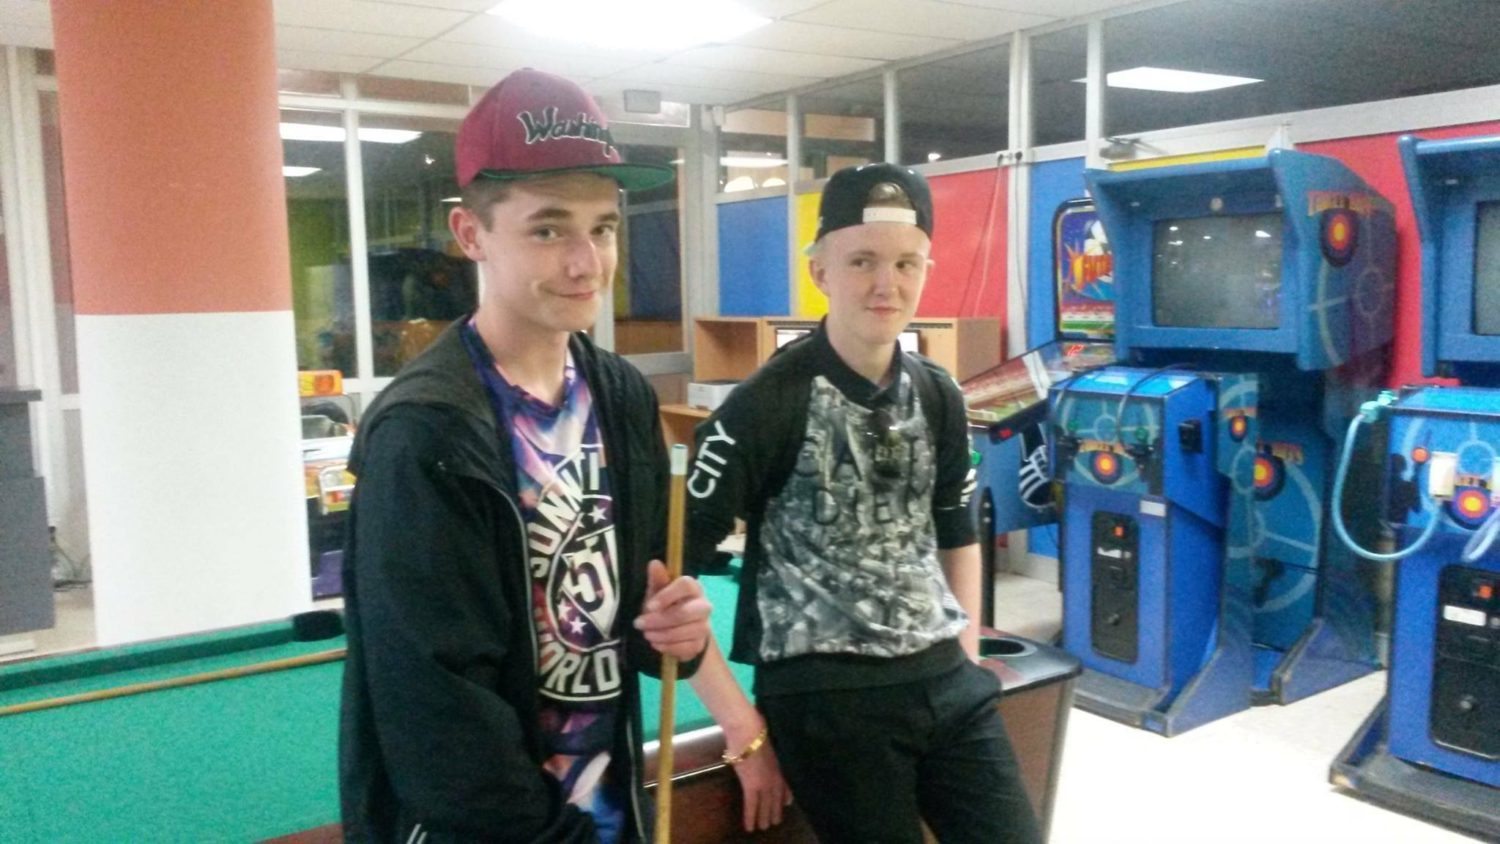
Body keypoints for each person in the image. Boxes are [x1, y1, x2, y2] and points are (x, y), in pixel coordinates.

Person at [338, 67, 784, 844]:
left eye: (602, 228)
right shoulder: (424, 434)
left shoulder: (620, 394)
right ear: (470, 234)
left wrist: (671, 631)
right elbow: (439, 719)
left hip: (608, 807)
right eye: (548, 230)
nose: (587, 262)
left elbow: (632, 606)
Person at [685, 162, 1042, 844]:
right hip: (826, 698)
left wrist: (967, 654)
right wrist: (741, 728)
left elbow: (957, 531)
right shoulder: (763, 405)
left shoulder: (938, 392)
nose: (887, 284)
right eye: (863, 261)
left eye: (907, 263)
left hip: (947, 682)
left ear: (926, 269)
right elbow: (668, 574)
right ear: (819, 271)